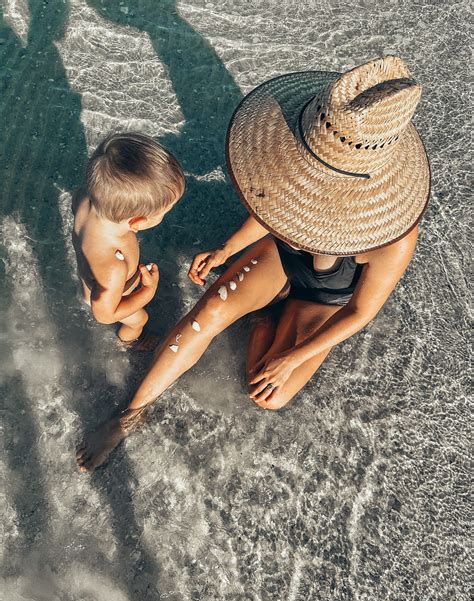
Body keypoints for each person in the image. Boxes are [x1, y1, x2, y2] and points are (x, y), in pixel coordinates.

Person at [76, 55, 430, 472]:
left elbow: (360, 311)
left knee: (269, 394)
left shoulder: (395, 234)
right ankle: (126, 417)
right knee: (207, 314)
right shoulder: (300, 155)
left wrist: (291, 359)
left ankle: (266, 317)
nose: (306, 188)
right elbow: (271, 210)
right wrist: (227, 249)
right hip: (281, 259)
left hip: (323, 298)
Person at [72, 132, 185, 348]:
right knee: (139, 320)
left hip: (99, 281)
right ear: (137, 222)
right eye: (165, 212)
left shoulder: (85, 199)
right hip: (114, 297)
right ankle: (129, 343)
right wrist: (146, 293)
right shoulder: (113, 267)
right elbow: (104, 315)